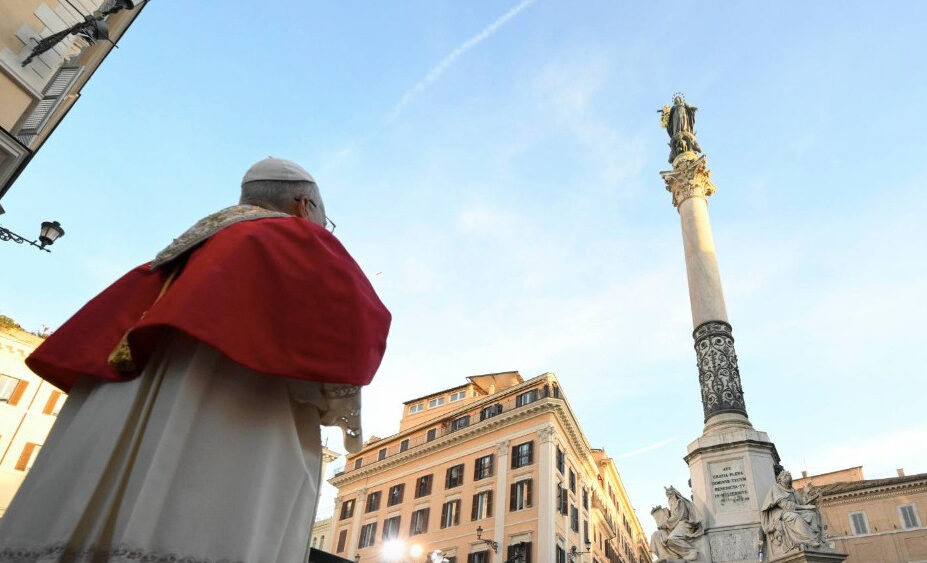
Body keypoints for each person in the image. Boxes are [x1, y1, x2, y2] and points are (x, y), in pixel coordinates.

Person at [0, 158, 391, 563]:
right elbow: (357, 320)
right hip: (239, 407)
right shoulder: (294, 240)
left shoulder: (175, 258)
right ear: (303, 206)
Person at [761, 470, 827, 555]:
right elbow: (785, 505)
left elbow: (802, 503)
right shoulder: (776, 488)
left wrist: (810, 496)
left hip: (794, 510)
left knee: (812, 515)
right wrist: (805, 507)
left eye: (788, 475)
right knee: (795, 517)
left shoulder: (793, 490)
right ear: (779, 479)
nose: (786, 476)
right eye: (783, 475)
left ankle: (816, 539)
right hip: (781, 513)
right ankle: (809, 540)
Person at [650, 486, 703, 562]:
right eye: (668, 496)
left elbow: (678, 518)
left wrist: (665, 524)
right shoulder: (672, 505)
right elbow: (671, 518)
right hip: (674, 527)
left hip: (684, 524)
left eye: (670, 495)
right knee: (656, 534)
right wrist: (660, 513)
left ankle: (690, 551)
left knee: (672, 538)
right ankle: (665, 554)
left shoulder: (680, 502)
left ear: (675, 494)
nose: (669, 498)